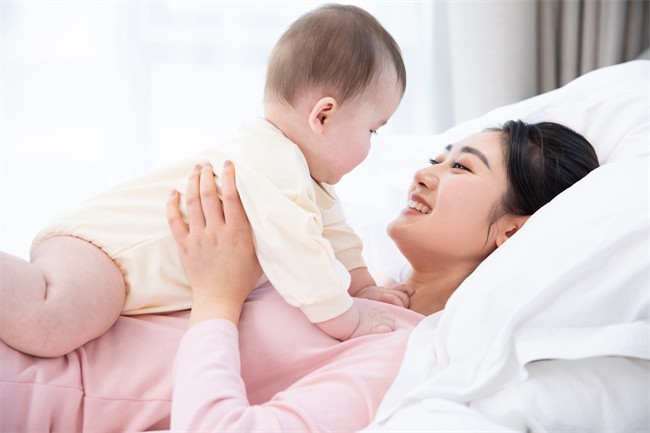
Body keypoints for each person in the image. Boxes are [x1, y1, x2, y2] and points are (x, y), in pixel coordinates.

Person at [0, 4, 409, 357]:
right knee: (51, 319)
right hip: (105, 252)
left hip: (118, 263)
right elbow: (302, 257)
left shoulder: (303, 178)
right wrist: (347, 318)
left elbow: (335, 236)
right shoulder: (273, 166)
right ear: (323, 115)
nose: (372, 144)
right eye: (372, 130)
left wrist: (363, 288)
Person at [164, 120, 600, 431]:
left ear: (512, 232)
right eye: (436, 159)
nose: (422, 174)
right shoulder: (342, 283)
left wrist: (216, 296)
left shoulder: (399, 351)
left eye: (461, 167)